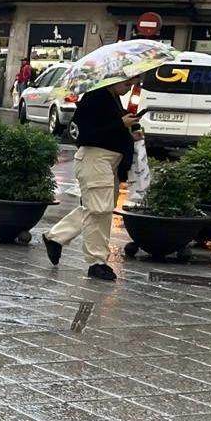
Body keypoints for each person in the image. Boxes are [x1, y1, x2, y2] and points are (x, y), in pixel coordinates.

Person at [42, 77, 141, 282]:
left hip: (108, 162)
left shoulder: (112, 98)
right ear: (114, 80)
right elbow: (84, 133)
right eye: (127, 83)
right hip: (95, 160)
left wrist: (130, 134)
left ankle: (56, 237)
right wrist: (120, 123)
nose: (130, 87)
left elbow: (110, 132)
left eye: (134, 83)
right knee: (99, 210)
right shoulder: (95, 98)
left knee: (98, 207)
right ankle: (96, 262)